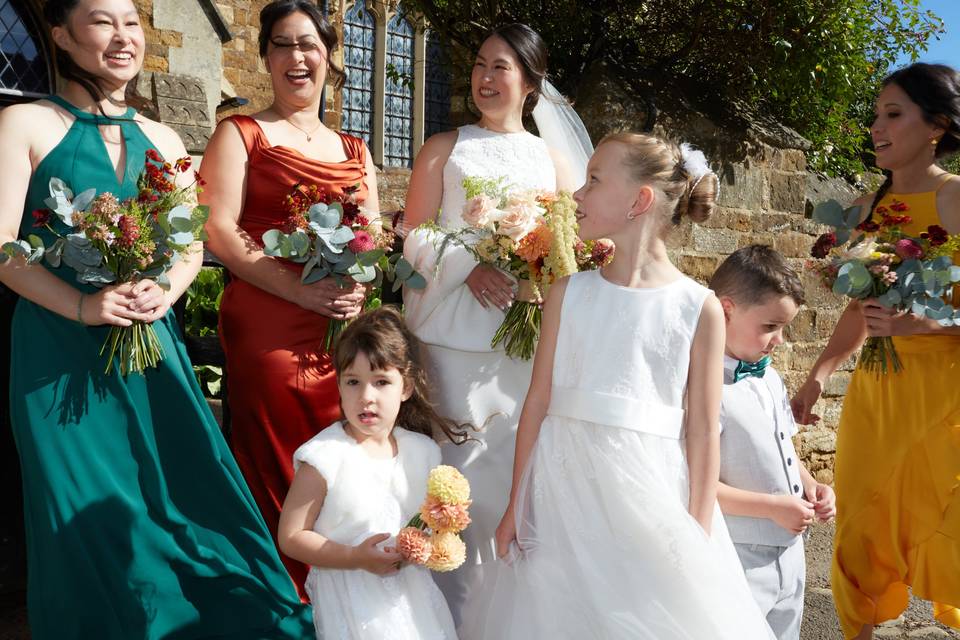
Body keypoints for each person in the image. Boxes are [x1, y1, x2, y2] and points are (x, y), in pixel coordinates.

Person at [0, 0, 312, 636]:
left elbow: (190, 246)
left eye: (133, 22)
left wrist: (163, 291)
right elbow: (3, 248)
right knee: (80, 514)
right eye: (102, 21)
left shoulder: (165, 138)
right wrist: (84, 305)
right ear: (60, 35)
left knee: (176, 502)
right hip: (56, 360)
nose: (124, 37)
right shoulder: (23, 123)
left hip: (152, 353)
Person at [464, 133, 774, 639]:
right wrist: (516, 506)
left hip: (646, 495)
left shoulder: (699, 307)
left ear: (639, 200)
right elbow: (538, 402)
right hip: (562, 492)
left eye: (593, 181)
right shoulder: (568, 292)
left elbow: (701, 432)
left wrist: (696, 530)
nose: (576, 196)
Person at [400, 23, 578, 623]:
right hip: (451, 341)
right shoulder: (444, 148)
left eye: (500, 66)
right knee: (453, 481)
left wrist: (531, 269)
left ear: (530, 81)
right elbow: (412, 232)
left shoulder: (553, 162)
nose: (485, 77)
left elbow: (571, 254)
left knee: (514, 483)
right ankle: (448, 614)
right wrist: (469, 265)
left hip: (520, 349)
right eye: (479, 64)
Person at [200, 0, 377, 598]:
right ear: (266, 58)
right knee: (280, 450)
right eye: (281, 45)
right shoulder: (242, 133)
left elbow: (372, 239)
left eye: (308, 44)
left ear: (328, 54)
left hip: (338, 329)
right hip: (268, 320)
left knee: (342, 448)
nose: (297, 57)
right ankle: (282, 595)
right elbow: (219, 230)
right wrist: (295, 287)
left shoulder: (355, 149)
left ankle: (338, 587)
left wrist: (358, 283)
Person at [791, 62, 960, 639]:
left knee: (950, 523)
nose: (877, 127)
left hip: (946, 401)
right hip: (878, 396)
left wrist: (928, 329)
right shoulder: (867, 210)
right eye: (875, 116)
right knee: (860, 523)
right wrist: (819, 372)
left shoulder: (954, 198)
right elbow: (856, 311)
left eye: (894, 114)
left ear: (935, 125)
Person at [277, 306, 465, 639]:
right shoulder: (324, 457)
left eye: (381, 382)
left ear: (405, 387)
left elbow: (423, 523)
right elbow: (291, 537)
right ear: (338, 385)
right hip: (352, 604)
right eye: (353, 382)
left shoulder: (422, 452)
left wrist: (441, 527)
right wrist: (354, 557)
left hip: (412, 600)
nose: (366, 397)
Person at [710, 244, 836, 639]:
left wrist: (812, 484)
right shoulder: (705, 386)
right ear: (726, 309)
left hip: (791, 553)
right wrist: (772, 508)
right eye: (769, 327)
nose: (779, 340)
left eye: (783, 329)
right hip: (739, 555)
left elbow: (784, 451)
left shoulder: (770, 378)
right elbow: (699, 486)